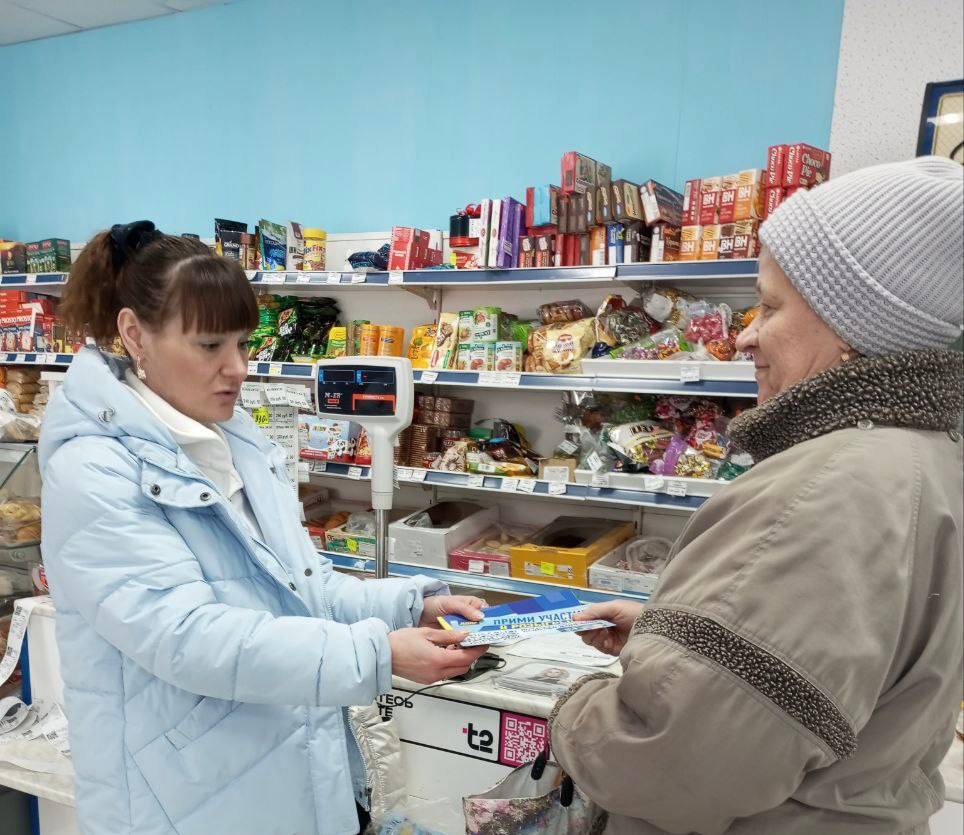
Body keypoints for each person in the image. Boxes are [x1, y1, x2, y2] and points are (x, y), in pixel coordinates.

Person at [548, 156, 964, 834]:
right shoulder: (925, 455)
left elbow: (673, 764)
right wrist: (672, 640)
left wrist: (572, 706)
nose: (745, 335)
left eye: (769, 306)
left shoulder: (832, 489)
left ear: (850, 327)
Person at [38, 223, 488, 835]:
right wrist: (378, 654)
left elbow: (304, 589)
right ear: (134, 334)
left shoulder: (235, 442)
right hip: (179, 801)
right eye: (210, 345)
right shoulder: (94, 470)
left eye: (244, 344)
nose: (237, 368)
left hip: (279, 771)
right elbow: (187, 637)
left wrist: (409, 605)